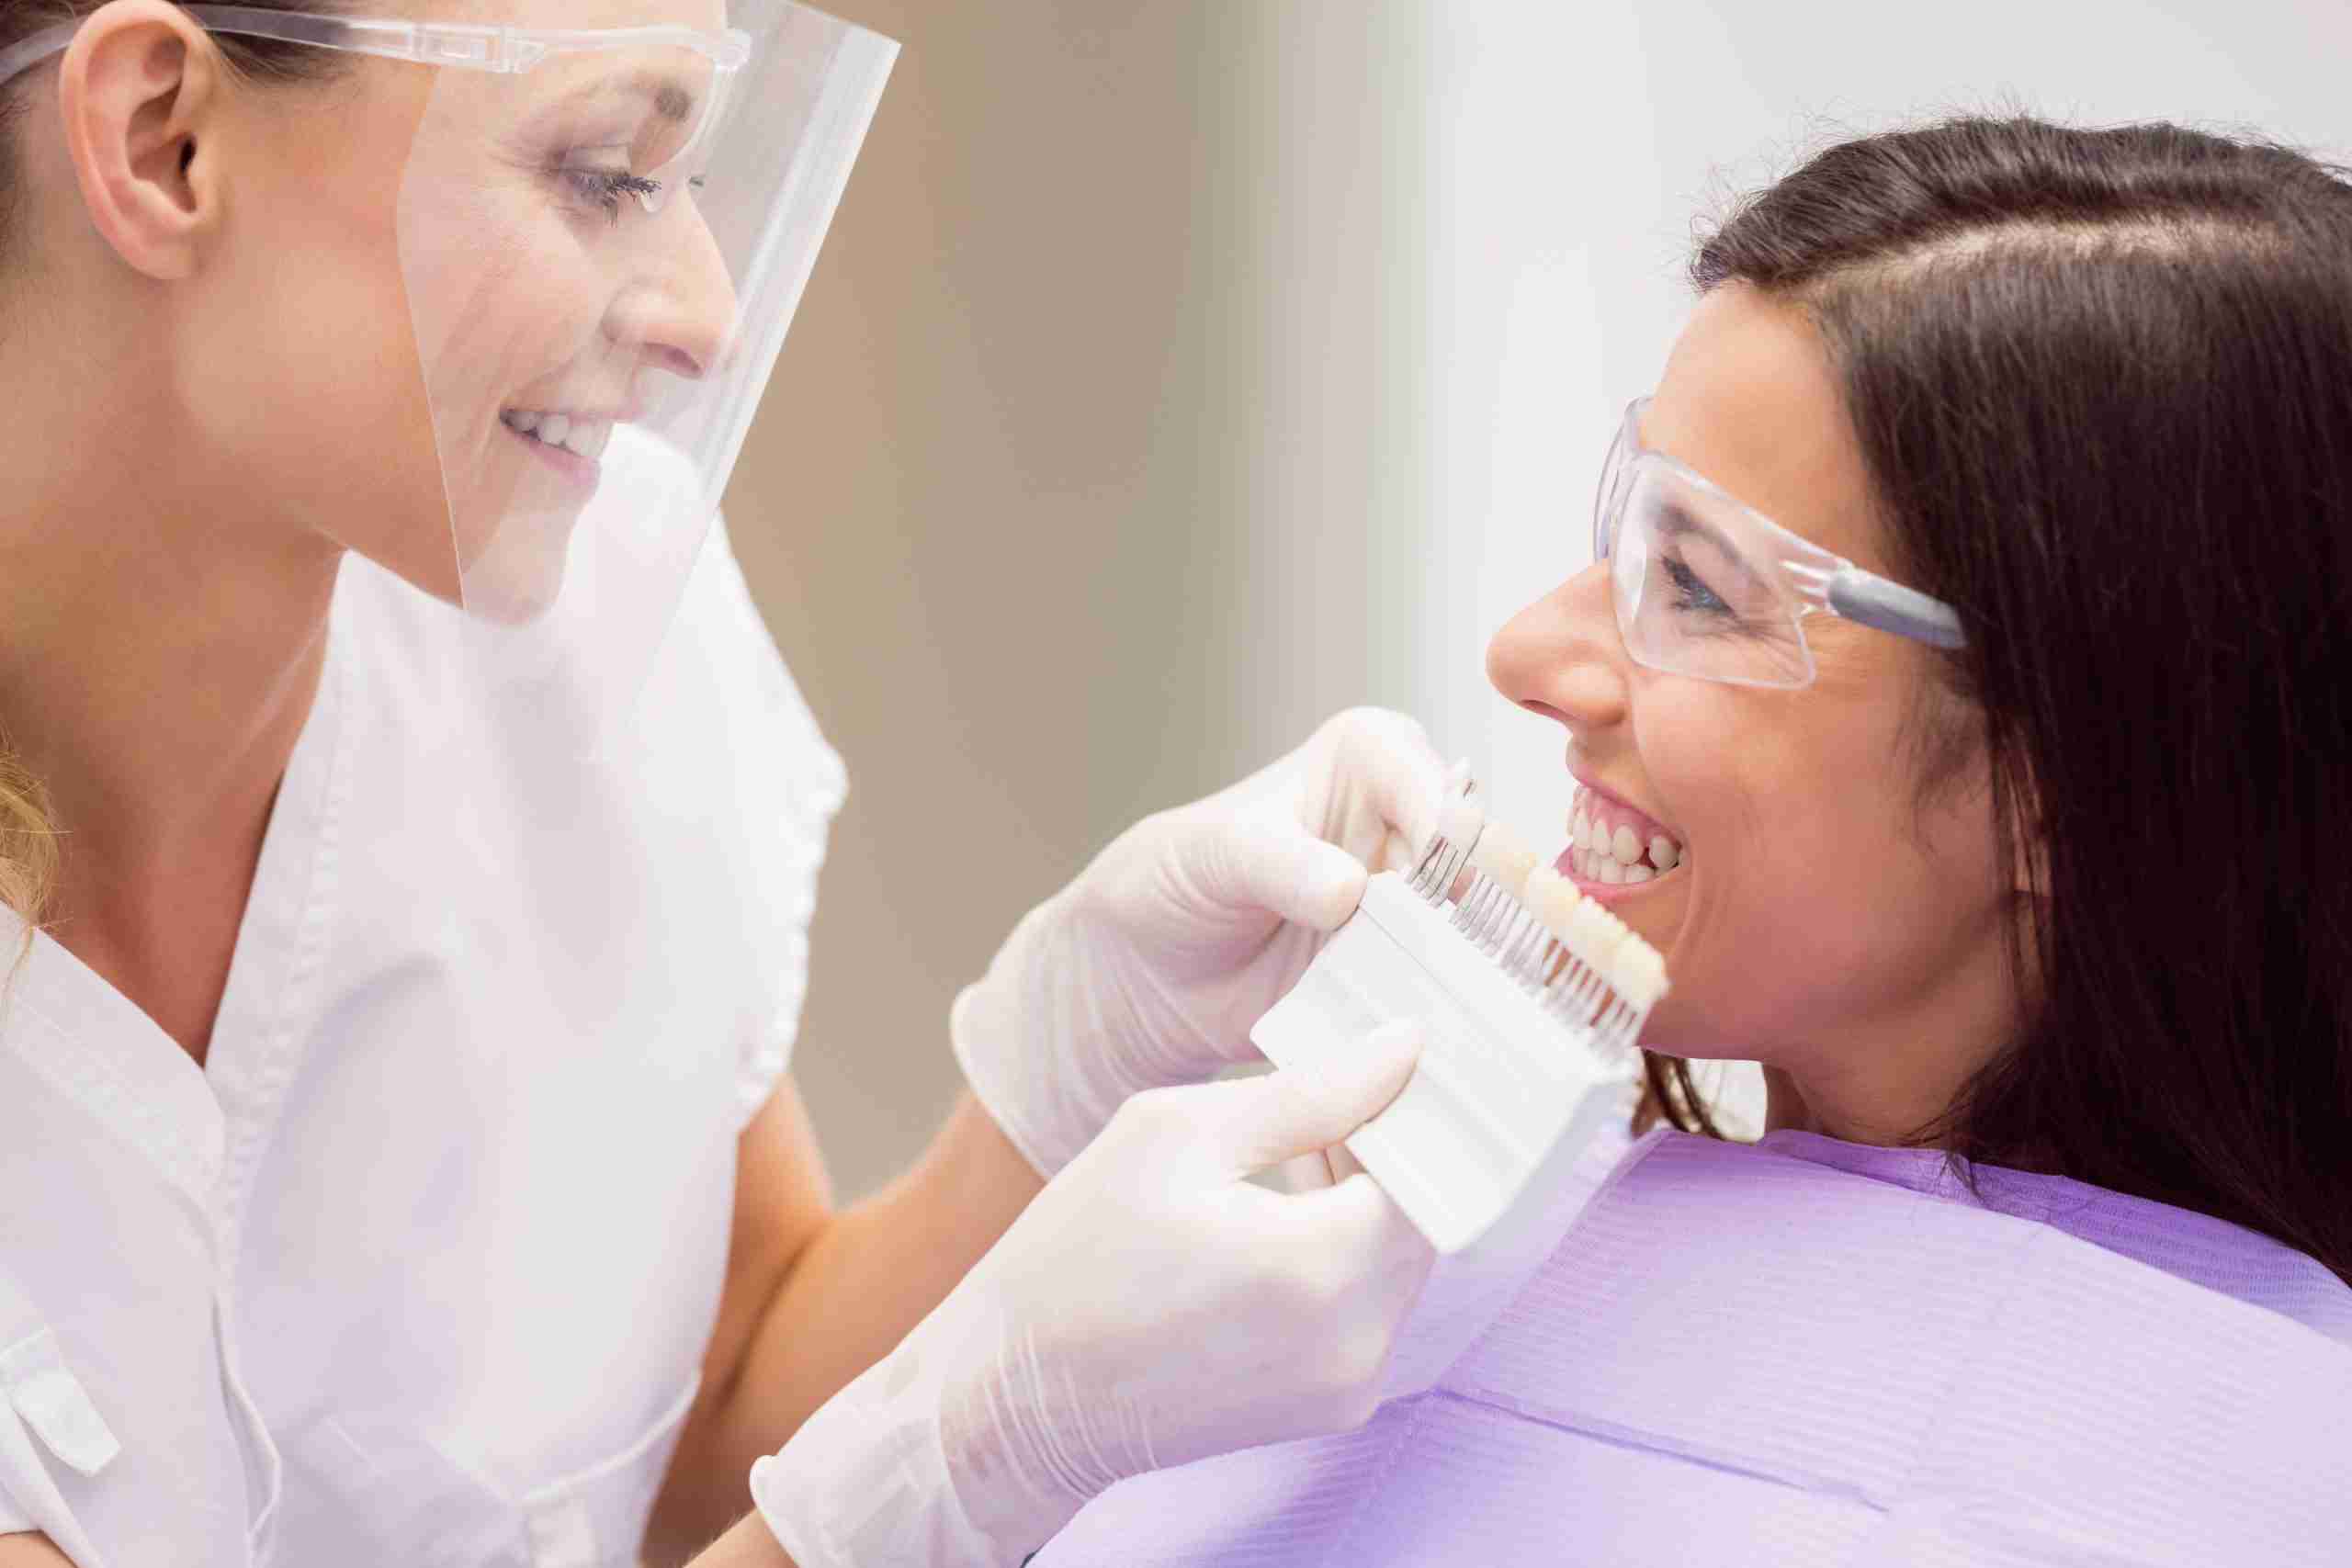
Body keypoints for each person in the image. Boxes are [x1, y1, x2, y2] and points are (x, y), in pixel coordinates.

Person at [0, 3, 1448, 1565]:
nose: (706, 313)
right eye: (604, 168)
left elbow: (711, 1423)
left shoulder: (592, 624)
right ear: (165, 138)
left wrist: (1056, 1080)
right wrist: (954, 1465)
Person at [1033, 115, 2352, 1565]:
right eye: (1625, 528)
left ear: (2060, 777)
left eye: (1702, 588)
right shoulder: (1458, 1273)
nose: (1533, 650)